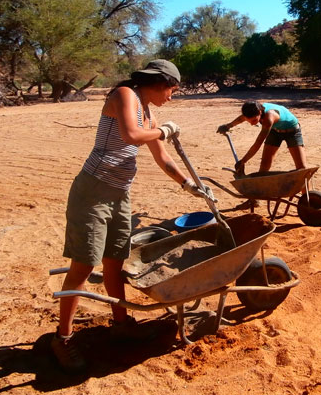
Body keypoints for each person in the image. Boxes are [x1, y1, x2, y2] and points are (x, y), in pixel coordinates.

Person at [51, 59, 209, 372]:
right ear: (160, 82)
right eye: (172, 90)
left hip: (119, 194)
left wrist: (190, 185)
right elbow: (131, 136)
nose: (171, 97)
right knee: (83, 265)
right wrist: (162, 131)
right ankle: (63, 338)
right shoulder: (125, 95)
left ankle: (121, 324)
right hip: (92, 193)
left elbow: (162, 157)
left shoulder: (150, 111)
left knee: (115, 260)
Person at [216, 101, 306, 177]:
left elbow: (258, 143)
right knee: (264, 166)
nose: (251, 124)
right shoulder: (251, 111)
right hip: (275, 130)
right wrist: (227, 126)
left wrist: (243, 161)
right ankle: (260, 192)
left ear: (259, 112)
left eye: (254, 121)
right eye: (249, 121)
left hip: (292, 131)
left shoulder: (269, 118)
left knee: (301, 168)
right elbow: (241, 118)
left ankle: (308, 195)